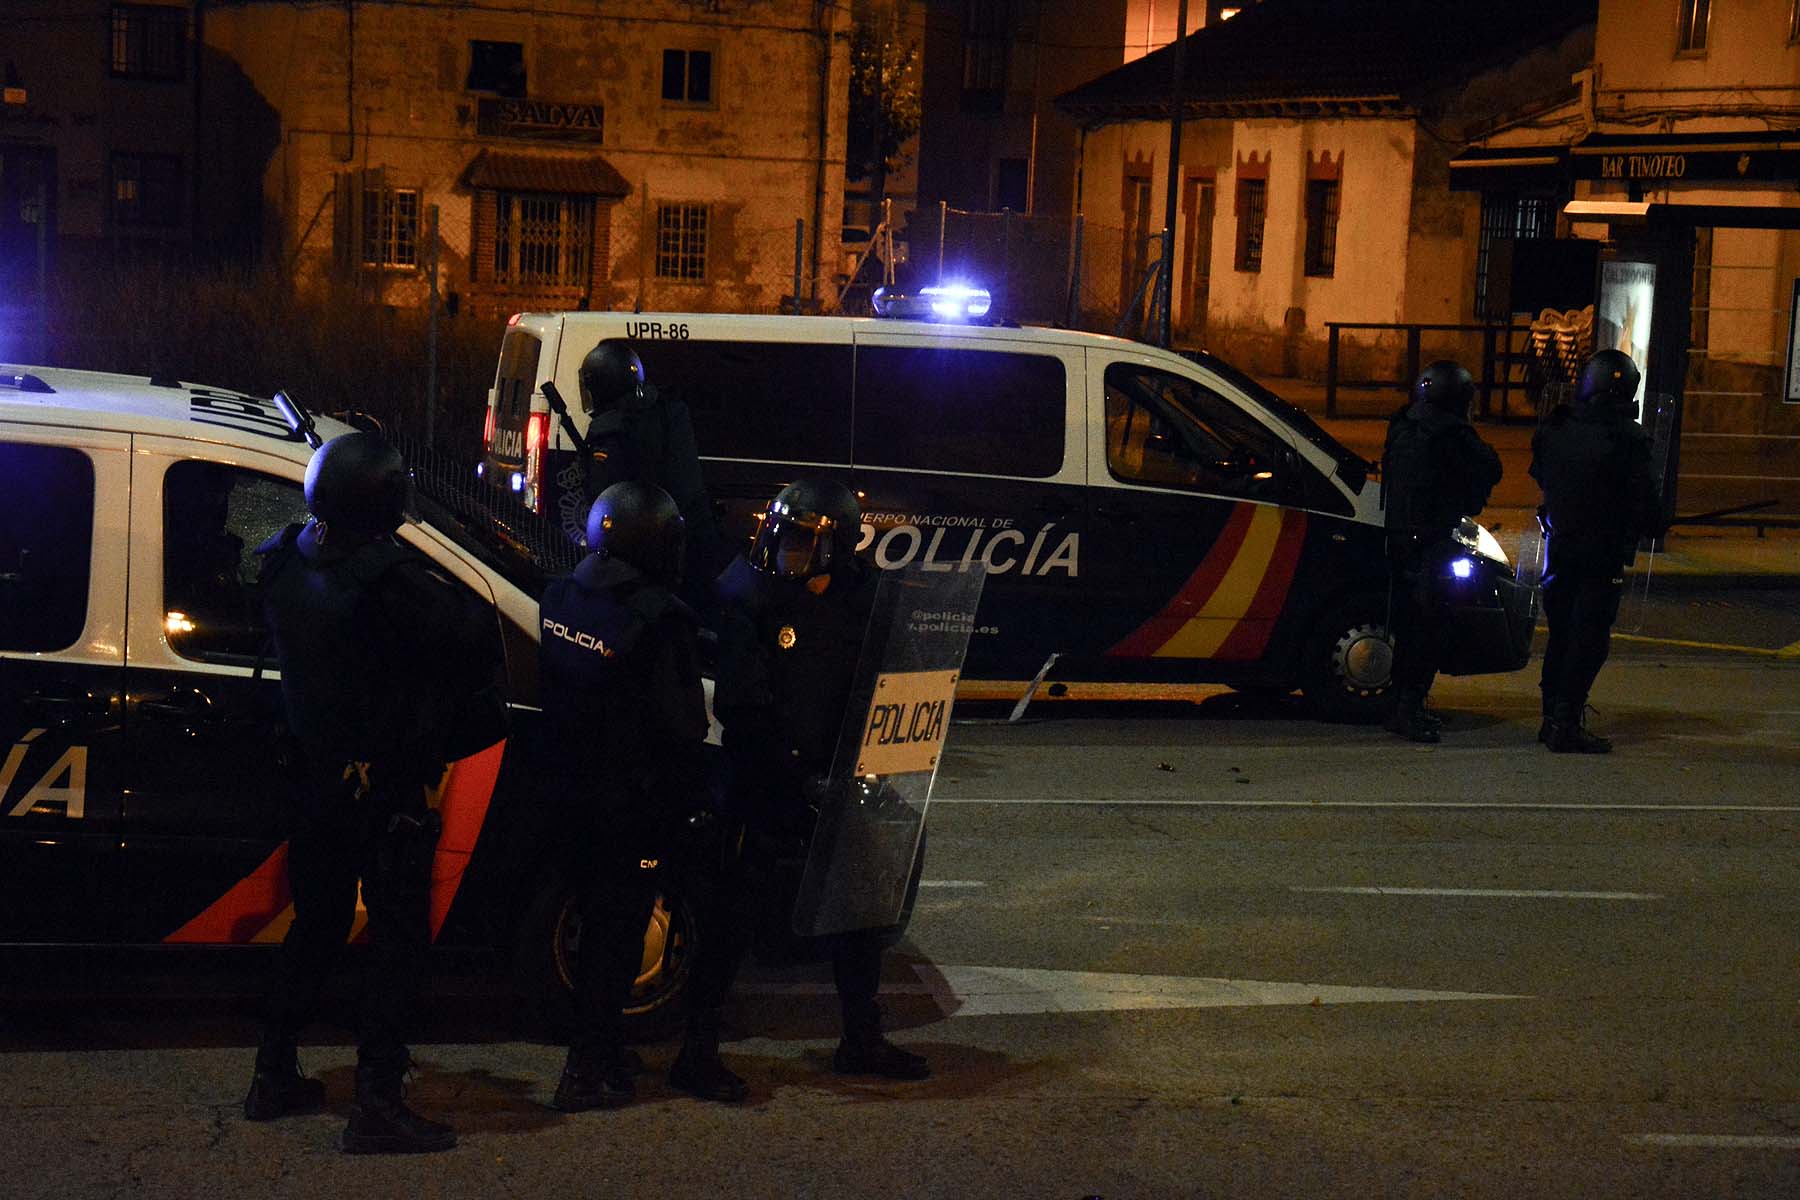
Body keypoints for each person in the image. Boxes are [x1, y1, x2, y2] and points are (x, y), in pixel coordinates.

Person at [242, 431, 501, 1154]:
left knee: (316, 927)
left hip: (315, 781)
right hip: (383, 792)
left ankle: (271, 1074)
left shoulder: (281, 563)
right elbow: (470, 640)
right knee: (395, 944)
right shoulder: (398, 590)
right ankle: (378, 1104)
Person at [703, 479, 929, 1082]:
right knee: (737, 913)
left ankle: (861, 1039)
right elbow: (738, 705)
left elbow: (895, 680)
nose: (786, 550)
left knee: (858, 914)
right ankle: (697, 1052)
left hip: (838, 778)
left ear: (839, 547)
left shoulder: (868, 602)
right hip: (769, 783)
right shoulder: (751, 596)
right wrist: (790, 773)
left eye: (801, 540)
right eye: (782, 536)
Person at [538, 481, 747, 1110]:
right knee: (618, 938)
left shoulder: (562, 594)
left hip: (567, 789)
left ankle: (598, 1047)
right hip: (631, 801)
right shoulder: (658, 619)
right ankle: (585, 1073)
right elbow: (684, 724)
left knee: (592, 927)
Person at [1530, 349, 1664, 753]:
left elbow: (1544, 478)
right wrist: (1653, 522)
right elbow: (1644, 502)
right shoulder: (1628, 437)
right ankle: (1566, 724)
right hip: (1601, 554)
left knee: (1561, 636)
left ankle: (1551, 717)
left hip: (1562, 549)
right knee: (1589, 642)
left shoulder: (1557, 427)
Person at [1380, 360, 1504, 743]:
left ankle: (1398, 706)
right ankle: (1408, 711)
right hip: (1432, 544)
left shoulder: (1402, 426)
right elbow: (1491, 468)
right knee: (1428, 632)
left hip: (1399, 541)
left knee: (1407, 628)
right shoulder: (1451, 434)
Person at [574, 339, 722, 618]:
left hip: (648, 559)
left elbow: (602, 497)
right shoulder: (667, 410)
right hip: (692, 541)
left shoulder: (613, 430)